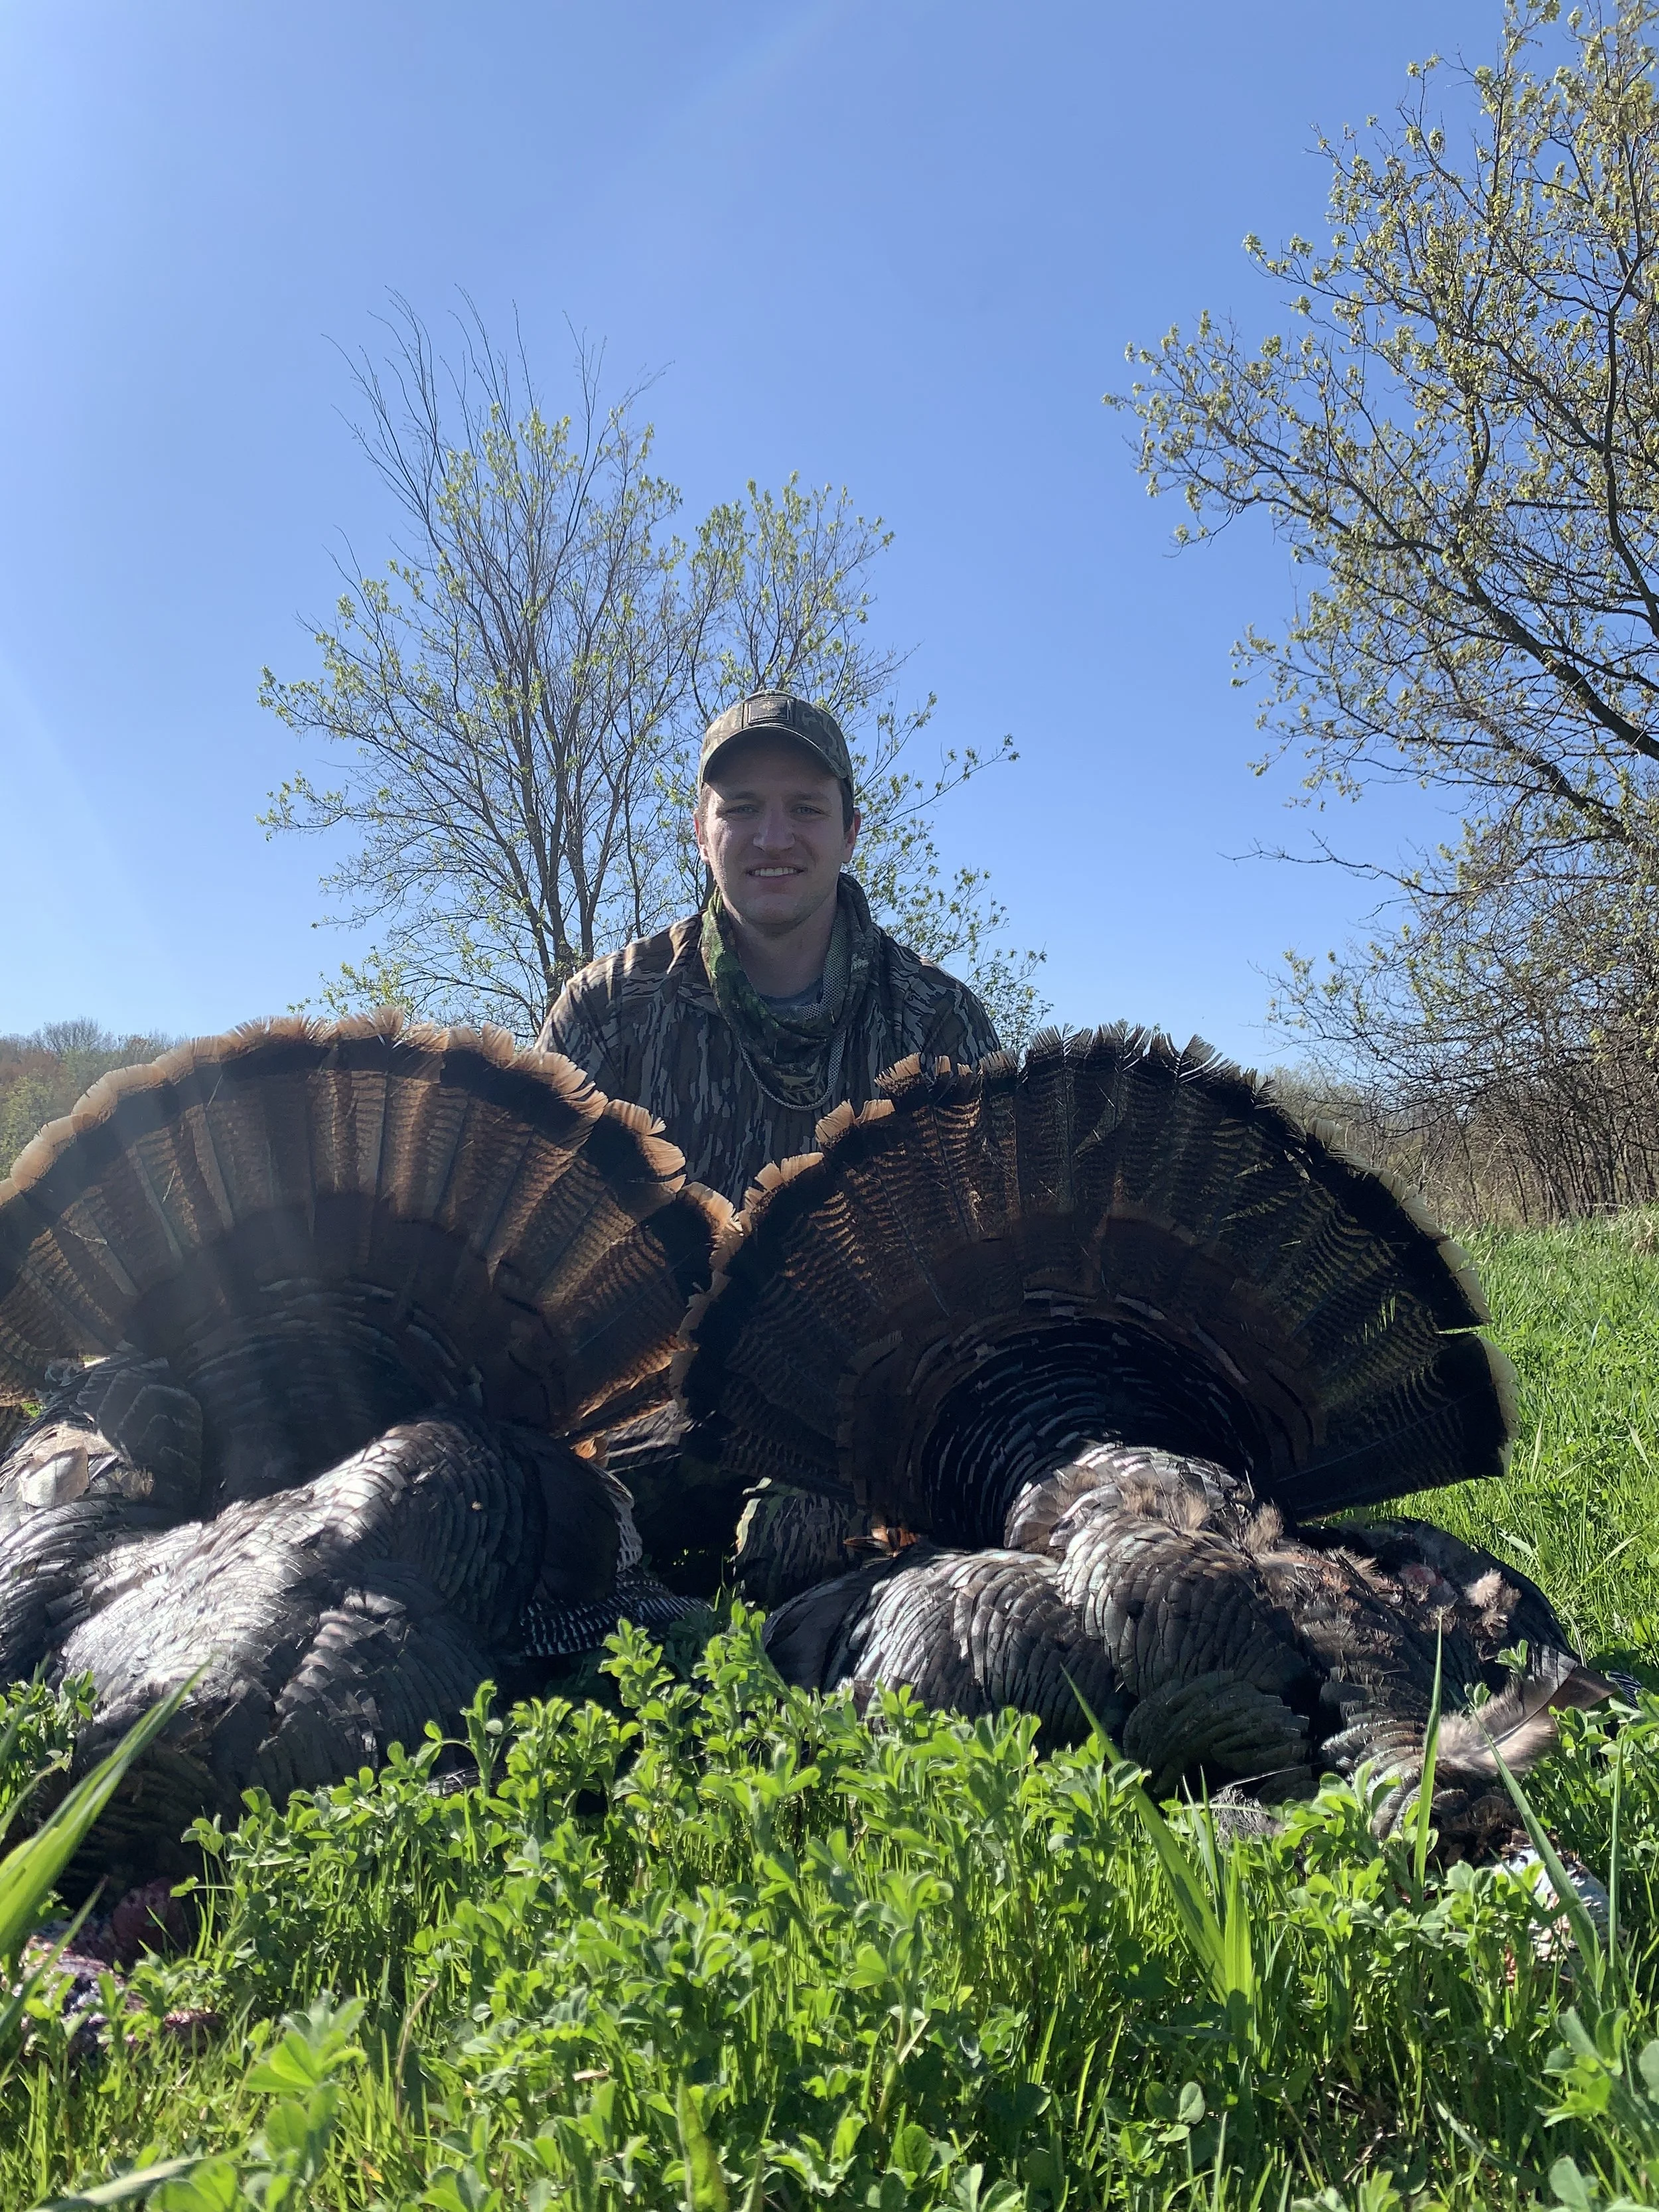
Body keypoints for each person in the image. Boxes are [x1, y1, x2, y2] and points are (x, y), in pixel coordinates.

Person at [536, 689, 1002, 1208]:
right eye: (742, 808)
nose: (775, 838)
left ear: (850, 834)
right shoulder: (607, 1013)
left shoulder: (938, 1022)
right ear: (701, 836)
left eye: (805, 808)